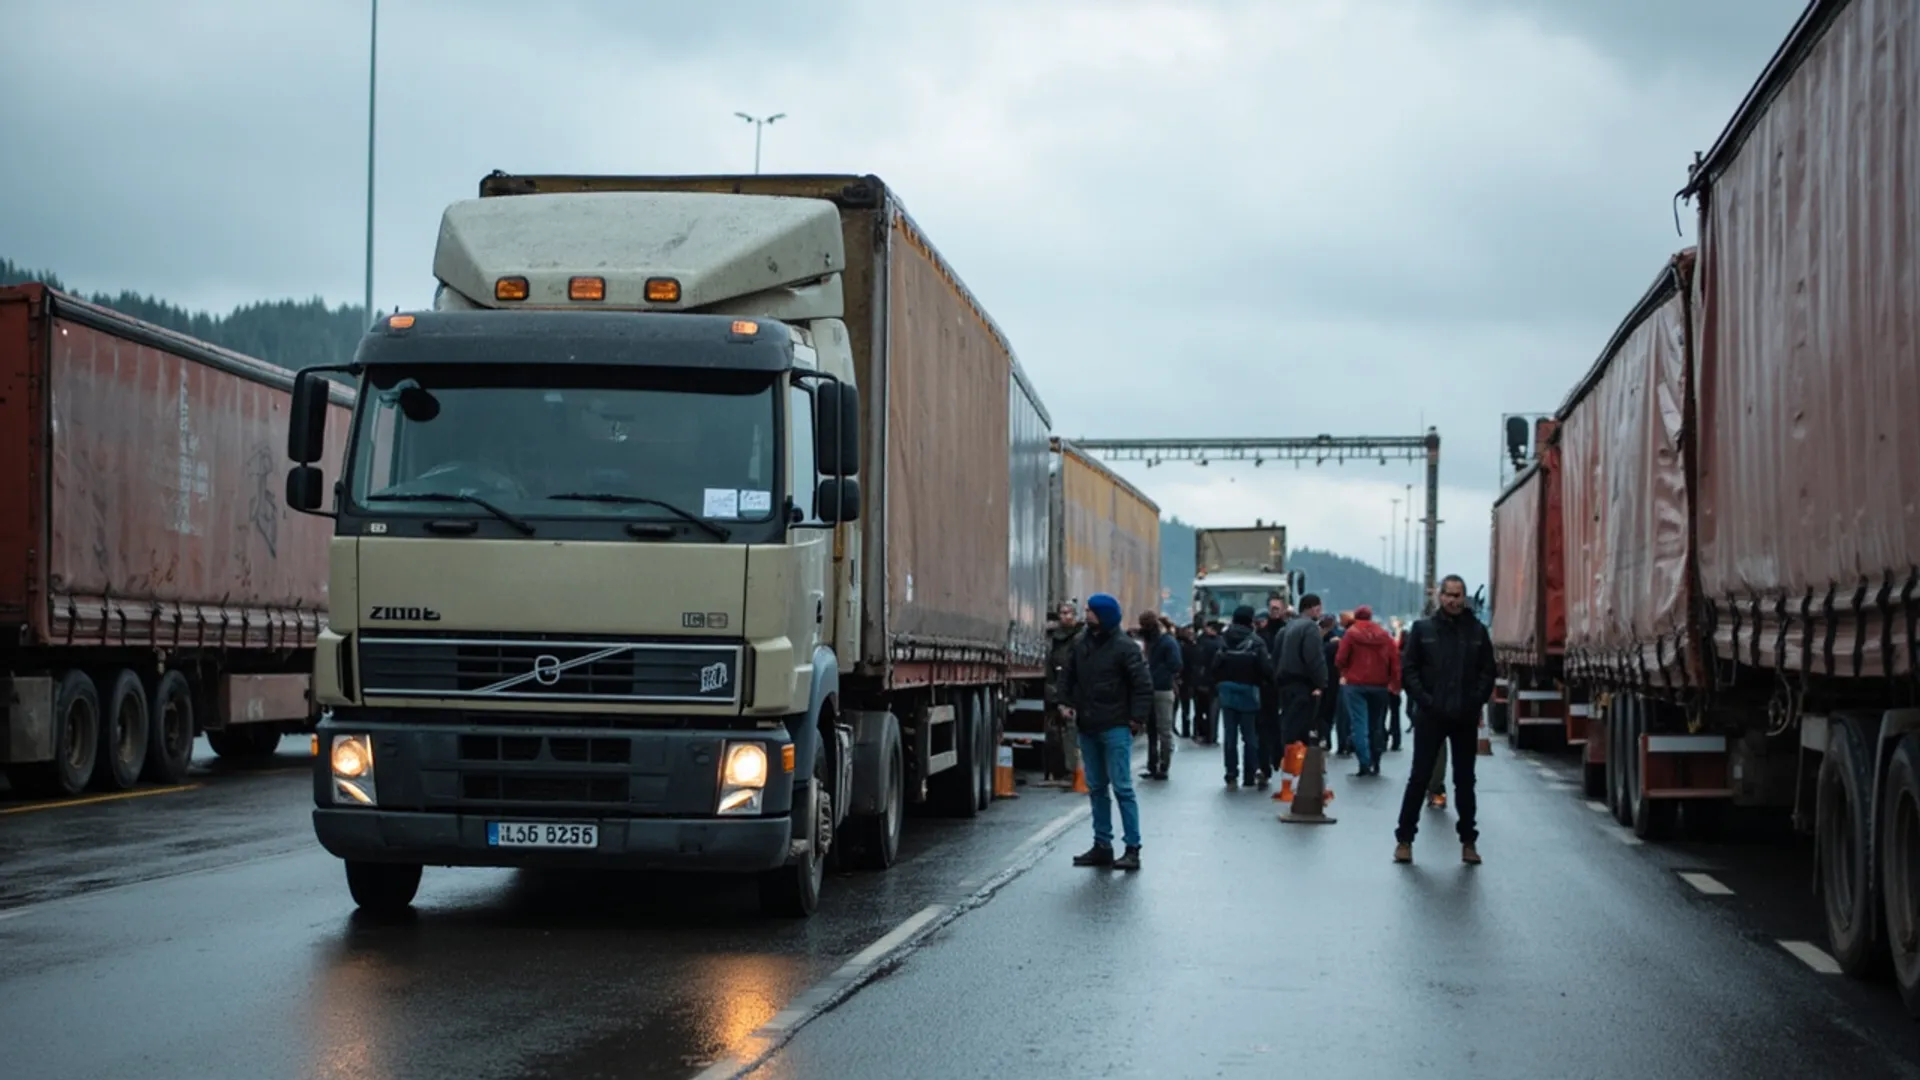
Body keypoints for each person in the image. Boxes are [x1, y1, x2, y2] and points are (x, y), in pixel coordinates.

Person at [1394, 575, 1497, 866]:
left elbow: (1487, 671)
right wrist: (1425, 701)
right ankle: (1404, 839)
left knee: (1465, 781)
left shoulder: (1477, 631)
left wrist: (1474, 701)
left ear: (1464, 597)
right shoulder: (1423, 630)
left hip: (1464, 716)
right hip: (1431, 716)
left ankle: (1468, 841)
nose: (1453, 600)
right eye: (1448, 594)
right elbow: (1409, 670)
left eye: (1458, 594)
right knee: (1420, 777)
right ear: (1440, 596)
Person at [1059, 593, 1152, 870]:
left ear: (1105, 615)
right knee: (1097, 787)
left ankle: (1132, 847)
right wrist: (1063, 702)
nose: (1086, 615)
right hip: (1088, 725)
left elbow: (1142, 685)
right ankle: (1102, 845)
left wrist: (1136, 719)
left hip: (1115, 726)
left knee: (1122, 787)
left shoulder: (1125, 647)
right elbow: (1068, 675)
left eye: (1091, 611)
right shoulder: (1081, 643)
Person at [1210, 605, 1270, 788]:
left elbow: (1214, 666)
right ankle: (1250, 774)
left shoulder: (1223, 640)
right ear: (1250, 620)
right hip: (1248, 690)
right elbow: (1265, 669)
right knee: (1249, 736)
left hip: (1227, 691)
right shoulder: (1256, 641)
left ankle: (1231, 773)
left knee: (1230, 735)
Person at [1336, 605, 1400, 777]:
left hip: (1356, 684)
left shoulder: (1351, 634)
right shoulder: (1384, 635)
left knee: (1359, 723)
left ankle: (1364, 762)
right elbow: (1394, 660)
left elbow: (1340, 658)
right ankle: (1376, 760)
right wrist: (1395, 683)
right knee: (1377, 724)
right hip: (1379, 684)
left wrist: (1345, 672)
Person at [1273, 593, 1329, 758]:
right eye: (1319, 608)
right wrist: (1321, 682)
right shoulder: (1310, 628)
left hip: (1285, 684)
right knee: (1300, 729)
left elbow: (1276, 656)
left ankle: (1286, 764)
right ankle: (1297, 769)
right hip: (1302, 685)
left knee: (1289, 725)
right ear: (1313, 608)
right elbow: (1314, 657)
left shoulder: (1288, 627)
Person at [1042, 601, 1085, 788]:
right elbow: (1049, 668)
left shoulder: (1082, 637)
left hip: (1077, 690)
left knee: (1073, 730)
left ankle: (1074, 770)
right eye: (1063, 613)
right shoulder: (1052, 638)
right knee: (1055, 734)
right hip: (1058, 688)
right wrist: (1053, 693)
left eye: (1070, 613)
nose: (1066, 616)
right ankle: (1060, 770)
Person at [1139, 611, 1182, 780]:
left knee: (1160, 730)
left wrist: (1159, 675)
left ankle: (1161, 765)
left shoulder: (1164, 642)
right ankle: (1157, 765)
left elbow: (1176, 664)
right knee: (1157, 730)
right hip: (1157, 687)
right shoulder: (1160, 641)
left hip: (1160, 688)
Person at [1190, 620, 1225, 745]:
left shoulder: (1201, 642)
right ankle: (1211, 735)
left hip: (1202, 680)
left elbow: (1196, 662)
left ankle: (1200, 733)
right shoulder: (1221, 643)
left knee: (1200, 709)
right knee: (1212, 711)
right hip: (1215, 682)